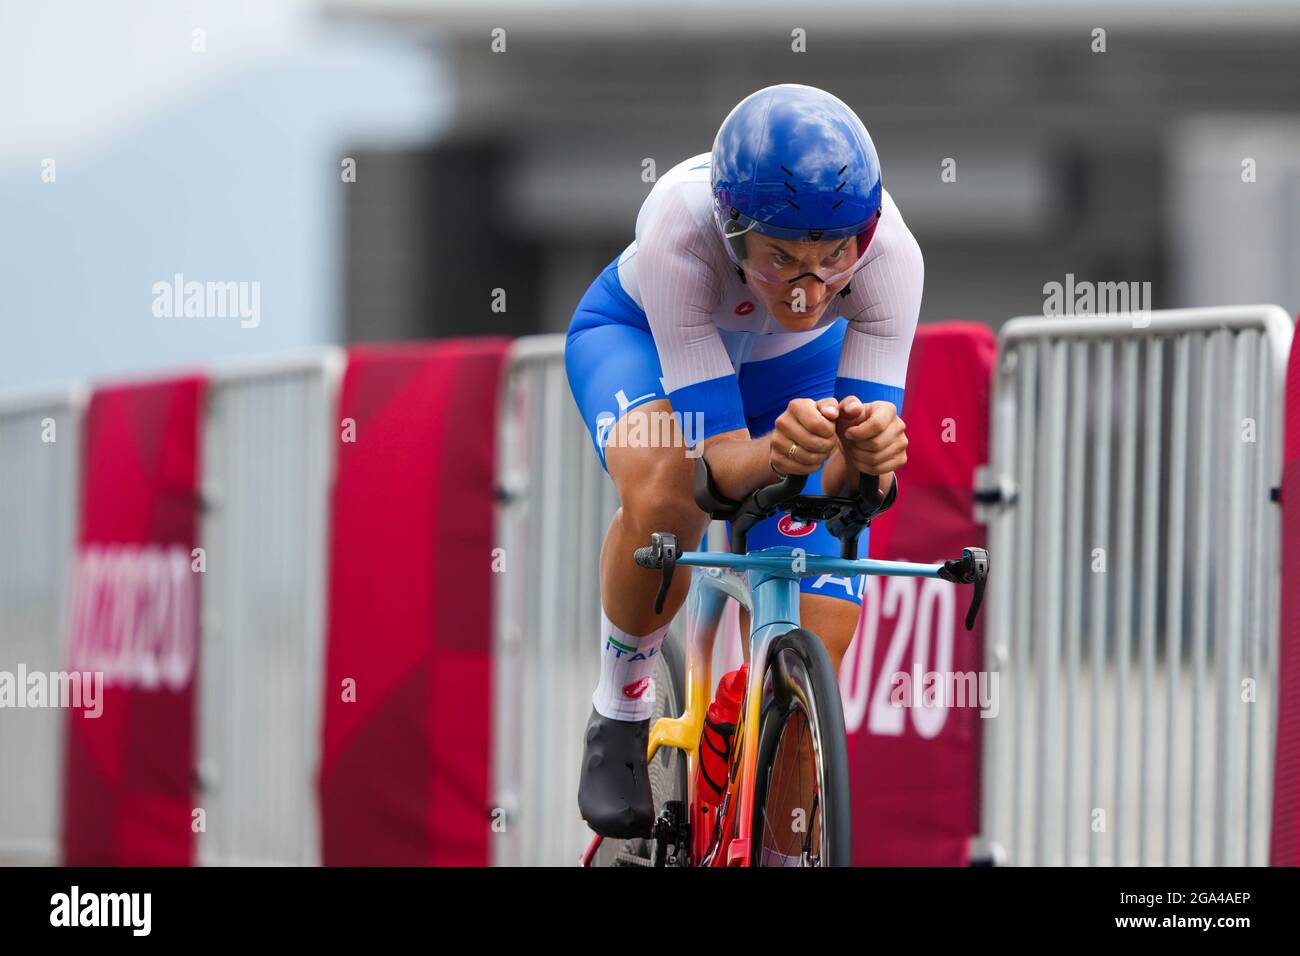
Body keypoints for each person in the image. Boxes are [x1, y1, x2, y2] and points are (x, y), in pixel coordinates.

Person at [565, 84, 922, 839]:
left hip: (793, 374)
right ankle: (620, 706)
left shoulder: (891, 256)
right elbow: (717, 470)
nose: (808, 289)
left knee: (822, 619)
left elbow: (852, 494)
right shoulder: (679, 229)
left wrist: (871, 459)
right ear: (733, 235)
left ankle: (776, 817)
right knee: (667, 493)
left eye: (833, 259)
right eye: (781, 260)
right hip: (640, 340)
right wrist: (780, 451)